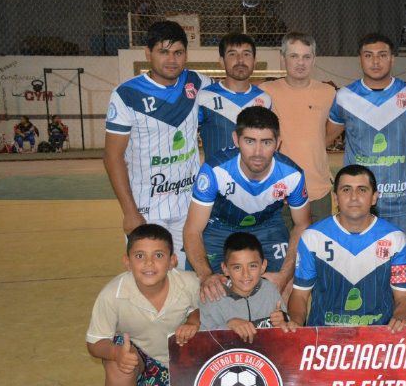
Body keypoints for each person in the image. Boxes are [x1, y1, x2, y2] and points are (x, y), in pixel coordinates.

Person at [71, 224, 200, 386]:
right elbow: (95, 343)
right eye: (140, 256)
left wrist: (193, 320)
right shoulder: (112, 295)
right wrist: (116, 353)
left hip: (169, 362)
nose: (149, 263)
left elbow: (200, 308)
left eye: (159, 255)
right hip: (135, 354)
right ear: (127, 261)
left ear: (173, 260)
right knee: (120, 359)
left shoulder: (189, 283)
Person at [104, 20, 212, 267]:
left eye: (178, 52)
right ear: (147, 53)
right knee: (151, 276)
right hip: (146, 207)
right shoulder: (126, 94)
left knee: (188, 279)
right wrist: (130, 212)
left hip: (190, 205)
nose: (172, 60)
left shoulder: (197, 83)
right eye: (163, 52)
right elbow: (112, 157)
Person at [184, 106, 311, 302]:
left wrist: (284, 276)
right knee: (206, 290)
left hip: (267, 225)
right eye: (249, 141)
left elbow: (302, 224)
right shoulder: (215, 170)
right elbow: (193, 229)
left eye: (266, 142)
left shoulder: (292, 175)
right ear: (236, 140)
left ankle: (279, 330)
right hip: (219, 225)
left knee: (286, 287)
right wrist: (205, 275)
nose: (258, 152)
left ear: (278, 143)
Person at [326, 33, 406, 260]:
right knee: (359, 267)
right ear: (360, 59)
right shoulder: (344, 97)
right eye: (369, 55)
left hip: (400, 202)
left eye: (382, 55)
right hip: (357, 204)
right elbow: (322, 141)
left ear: (392, 59)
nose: (375, 62)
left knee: (401, 271)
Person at [288, 165, 406, 331]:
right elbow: (300, 295)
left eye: (362, 190)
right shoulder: (312, 237)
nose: (354, 197)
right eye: (346, 190)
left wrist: (400, 318)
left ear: (374, 197)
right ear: (336, 198)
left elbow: (403, 297)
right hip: (324, 336)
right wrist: (295, 323)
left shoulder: (396, 239)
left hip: (378, 337)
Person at [260, 32, 336, 232]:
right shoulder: (265, 92)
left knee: (318, 253)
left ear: (314, 60)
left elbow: (335, 128)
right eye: (294, 56)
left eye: (306, 57)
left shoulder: (328, 93)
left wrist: (318, 146)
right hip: (278, 191)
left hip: (318, 190)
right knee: (283, 255)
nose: (300, 62)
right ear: (282, 58)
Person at [199, 232, 287, 342]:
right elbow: (203, 343)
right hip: (230, 358)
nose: (246, 274)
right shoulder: (212, 296)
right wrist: (228, 326)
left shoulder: (270, 290)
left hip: (265, 357)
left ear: (263, 266)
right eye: (237, 267)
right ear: (225, 268)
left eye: (252, 266)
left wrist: (283, 323)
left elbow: (286, 333)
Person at [197, 32, 272, 156]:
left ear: (255, 61)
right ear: (222, 61)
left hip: (253, 175)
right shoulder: (204, 97)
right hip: (216, 174)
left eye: (246, 54)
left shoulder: (264, 99)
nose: (240, 60)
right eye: (232, 54)